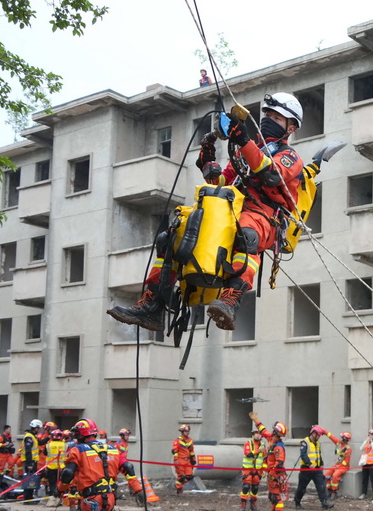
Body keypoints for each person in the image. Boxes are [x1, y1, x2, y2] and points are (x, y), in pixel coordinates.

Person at [107, 92, 305, 333]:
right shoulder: (247, 150)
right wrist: (208, 159)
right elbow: (222, 182)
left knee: (247, 233)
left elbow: (270, 174)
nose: (268, 120)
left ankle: (232, 299)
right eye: (267, 115)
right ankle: (153, 304)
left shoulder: (290, 157)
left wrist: (243, 139)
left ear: (291, 127)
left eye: (277, 117)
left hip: (266, 215)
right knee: (172, 234)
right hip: (236, 208)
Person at [250, 413, 288, 511]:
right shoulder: (272, 440)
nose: (271, 432)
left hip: (276, 475)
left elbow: (279, 463)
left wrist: (271, 473)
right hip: (271, 474)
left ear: (276, 432)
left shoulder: (278, 446)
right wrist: (257, 421)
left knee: (276, 497)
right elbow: (263, 431)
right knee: (271, 496)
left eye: (274, 430)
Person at [294, 426, 334, 510]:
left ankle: (324, 503)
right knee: (302, 488)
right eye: (318, 435)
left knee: (321, 485)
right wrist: (309, 464)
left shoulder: (317, 443)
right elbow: (303, 455)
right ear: (313, 434)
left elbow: (318, 454)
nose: (319, 437)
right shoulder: (305, 442)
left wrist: (321, 463)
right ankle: (297, 502)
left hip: (316, 469)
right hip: (306, 469)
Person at [240, 426, 267, 511]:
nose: (258, 435)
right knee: (246, 487)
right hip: (248, 469)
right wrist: (258, 451)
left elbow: (265, 458)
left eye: (259, 434)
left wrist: (264, 470)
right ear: (253, 434)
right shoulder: (248, 443)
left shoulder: (263, 445)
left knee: (255, 488)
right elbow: (249, 454)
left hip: (258, 470)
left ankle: (253, 504)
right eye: (256, 433)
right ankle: (243, 505)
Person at [19, 419, 43, 505]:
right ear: (35, 428)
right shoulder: (29, 437)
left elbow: (40, 443)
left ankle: (29, 497)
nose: (40, 429)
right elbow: (28, 451)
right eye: (39, 428)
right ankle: (27, 498)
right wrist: (29, 464)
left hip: (33, 461)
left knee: (31, 480)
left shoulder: (32, 436)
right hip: (30, 461)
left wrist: (49, 438)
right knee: (29, 480)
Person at [324, 431, 352, 500]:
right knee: (327, 475)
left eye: (342, 438)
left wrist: (338, 466)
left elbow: (346, 462)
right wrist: (324, 431)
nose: (340, 439)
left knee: (335, 475)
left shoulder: (348, 449)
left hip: (343, 467)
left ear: (345, 439)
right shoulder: (339, 444)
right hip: (337, 465)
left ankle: (334, 491)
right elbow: (332, 437)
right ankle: (329, 490)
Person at [358, 427, 373, 501]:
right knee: (364, 479)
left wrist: (371, 443)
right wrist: (366, 441)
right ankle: (363, 493)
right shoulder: (367, 442)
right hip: (365, 463)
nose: (371, 435)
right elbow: (361, 448)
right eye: (370, 434)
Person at [43, 429, 66, 505]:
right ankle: (61, 499)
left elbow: (45, 453)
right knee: (61, 484)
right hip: (61, 467)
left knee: (52, 484)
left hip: (51, 467)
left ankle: (53, 500)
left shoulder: (48, 445)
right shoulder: (65, 445)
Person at [172, 424, 196, 494]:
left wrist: (193, 459)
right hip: (180, 460)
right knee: (181, 477)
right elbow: (174, 451)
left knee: (189, 476)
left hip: (187, 461)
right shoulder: (178, 440)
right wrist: (176, 460)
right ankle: (178, 487)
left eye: (188, 431)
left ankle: (178, 485)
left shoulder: (190, 440)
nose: (187, 432)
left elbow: (191, 450)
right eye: (185, 431)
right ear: (182, 432)